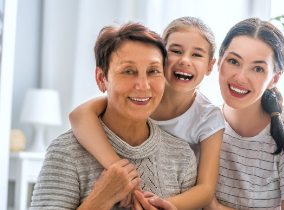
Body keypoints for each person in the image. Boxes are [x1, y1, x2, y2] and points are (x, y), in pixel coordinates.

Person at [30, 22, 197, 210]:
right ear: (102, 79)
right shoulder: (66, 152)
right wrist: (100, 199)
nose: (143, 85)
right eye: (128, 71)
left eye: (153, 71)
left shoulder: (182, 155)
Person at [69, 17, 225, 209]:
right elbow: (79, 115)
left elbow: (206, 188)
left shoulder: (208, 117)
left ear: (211, 66)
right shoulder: (140, 97)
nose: (185, 60)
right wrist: (121, 173)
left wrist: (158, 205)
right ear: (162, 58)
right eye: (175, 51)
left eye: (197, 55)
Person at [204, 18, 284, 210]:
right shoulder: (200, 122)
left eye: (258, 68)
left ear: (274, 78)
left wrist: (216, 208)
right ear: (218, 62)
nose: (240, 77)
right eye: (234, 61)